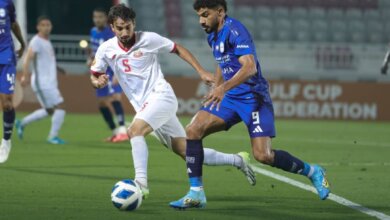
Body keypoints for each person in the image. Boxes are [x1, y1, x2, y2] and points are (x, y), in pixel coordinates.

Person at [170, 0, 330, 209]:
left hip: (253, 99)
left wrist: (222, 88)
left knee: (263, 155)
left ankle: (312, 171)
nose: (201, 21)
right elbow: (223, 62)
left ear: (220, 12)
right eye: (199, 16)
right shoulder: (212, 35)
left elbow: (249, 68)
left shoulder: (236, 31)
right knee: (193, 130)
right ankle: (196, 193)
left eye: (205, 15)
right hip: (230, 98)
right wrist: (216, 88)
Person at [90, 4, 256, 199]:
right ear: (112, 27)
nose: (125, 32)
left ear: (134, 24)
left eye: (128, 27)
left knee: (134, 131)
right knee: (187, 151)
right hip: (144, 105)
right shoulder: (105, 49)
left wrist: (200, 71)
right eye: (120, 28)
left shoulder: (148, 39)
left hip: (161, 96)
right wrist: (97, 81)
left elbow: (178, 49)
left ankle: (140, 184)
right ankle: (237, 160)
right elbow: (95, 74)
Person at [15, 16, 66, 145]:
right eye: (43, 25)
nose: (46, 27)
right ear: (38, 27)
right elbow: (27, 58)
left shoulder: (46, 41)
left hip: (48, 82)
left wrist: (58, 68)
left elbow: (47, 60)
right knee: (60, 107)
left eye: (48, 25)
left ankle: (22, 123)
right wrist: (25, 76)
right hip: (43, 82)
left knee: (50, 110)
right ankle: (52, 137)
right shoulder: (36, 41)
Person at [87, 7, 127, 142]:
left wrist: (117, 73)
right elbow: (94, 52)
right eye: (95, 17)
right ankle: (115, 131)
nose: (97, 20)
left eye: (100, 17)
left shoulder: (111, 33)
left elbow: (119, 53)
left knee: (115, 97)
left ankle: (122, 130)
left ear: (106, 19)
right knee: (102, 103)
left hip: (111, 70)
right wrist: (90, 59)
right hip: (99, 72)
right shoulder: (93, 32)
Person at [0, 0, 26, 163]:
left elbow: (14, 24)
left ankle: (6, 141)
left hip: (6, 56)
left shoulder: (7, 3)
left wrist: (22, 43)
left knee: (7, 103)